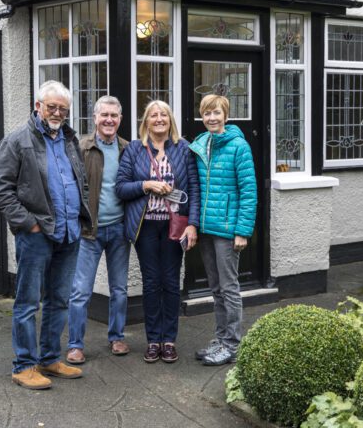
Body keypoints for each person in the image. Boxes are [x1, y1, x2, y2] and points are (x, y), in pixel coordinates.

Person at [0, 80, 90, 390]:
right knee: (28, 302)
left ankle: (49, 358)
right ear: (38, 106)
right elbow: (1, 191)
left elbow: (78, 182)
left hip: (69, 234)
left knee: (59, 300)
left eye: (63, 108)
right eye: (52, 107)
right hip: (36, 235)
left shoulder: (69, 140)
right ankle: (24, 365)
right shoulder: (17, 140)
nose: (58, 112)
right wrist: (29, 223)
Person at [115, 100, 200, 364]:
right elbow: (121, 188)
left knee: (172, 282)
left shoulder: (184, 149)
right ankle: (153, 340)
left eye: (164, 114)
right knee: (151, 283)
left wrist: (192, 224)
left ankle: (169, 340)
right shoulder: (134, 149)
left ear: (170, 120)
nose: (159, 118)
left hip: (175, 225)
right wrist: (146, 184)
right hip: (146, 226)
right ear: (146, 121)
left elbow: (195, 190)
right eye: (154, 115)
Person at [189, 94, 257, 366]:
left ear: (225, 116)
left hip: (228, 230)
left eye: (216, 113)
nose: (212, 118)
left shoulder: (239, 146)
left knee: (229, 287)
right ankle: (220, 339)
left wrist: (243, 230)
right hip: (207, 228)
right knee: (215, 288)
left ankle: (232, 345)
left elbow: (249, 191)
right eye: (207, 113)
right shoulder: (201, 144)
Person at [66, 95, 131, 365]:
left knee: (119, 289)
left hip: (119, 230)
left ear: (120, 119)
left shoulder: (129, 149)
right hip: (89, 232)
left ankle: (116, 337)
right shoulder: (81, 148)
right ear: (94, 118)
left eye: (114, 116)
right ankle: (75, 345)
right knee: (81, 291)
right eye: (104, 115)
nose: (109, 120)